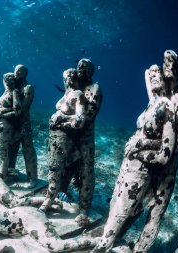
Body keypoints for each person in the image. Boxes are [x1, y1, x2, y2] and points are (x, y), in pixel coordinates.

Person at [91, 64, 176, 252]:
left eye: (158, 75)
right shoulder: (152, 102)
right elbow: (147, 74)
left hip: (141, 169)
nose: (153, 77)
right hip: (127, 164)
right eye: (151, 75)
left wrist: (140, 147)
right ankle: (108, 240)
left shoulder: (166, 106)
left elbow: (165, 153)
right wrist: (152, 72)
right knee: (114, 205)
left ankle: (103, 246)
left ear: (166, 79)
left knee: (121, 212)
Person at [39, 68, 87, 212]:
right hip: (55, 138)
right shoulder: (67, 94)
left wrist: (61, 119)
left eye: (70, 77)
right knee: (53, 167)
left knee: (55, 167)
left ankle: (49, 200)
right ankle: (53, 194)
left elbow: (80, 120)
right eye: (66, 77)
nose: (67, 80)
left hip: (63, 138)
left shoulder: (78, 95)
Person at [70, 58, 102, 224]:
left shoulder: (94, 89)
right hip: (70, 136)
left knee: (86, 171)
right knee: (67, 167)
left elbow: (89, 115)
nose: (81, 69)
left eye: (85, 67)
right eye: (79, 66)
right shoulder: (74, 85)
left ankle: (84, 208)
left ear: (91, 71)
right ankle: (62, 196)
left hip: (85, 138)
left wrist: (65, 119)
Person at [8, 64, 38, 188]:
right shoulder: (13, 85)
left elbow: (23, 109)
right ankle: (10, 172)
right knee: (11, 148)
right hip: (13, 123)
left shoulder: (28, 88)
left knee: (28, 151)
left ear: (25, 73)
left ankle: (32, 179)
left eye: (19, 71)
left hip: (24, 124)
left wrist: (6, 113)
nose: (16, 72)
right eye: (15, 69)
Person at [0, 72, 22, 180]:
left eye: (9, 79)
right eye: (6, 79)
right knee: (0, 149)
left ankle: (3, 176)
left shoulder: (14, 92)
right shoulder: (7, 91)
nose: (7, 81)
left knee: (3, 150)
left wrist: (3, 114)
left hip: (5, 126)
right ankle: (5, 172)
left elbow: (17, 110)